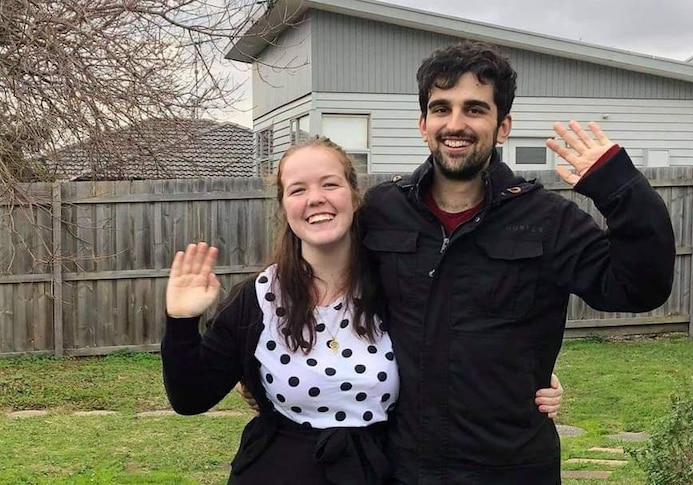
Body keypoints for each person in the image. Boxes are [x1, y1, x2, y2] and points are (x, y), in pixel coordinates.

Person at [160, 137, 563, 484]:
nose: (315, 198)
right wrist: (181, 321)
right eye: (297, 189)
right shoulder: (260, 298)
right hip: (276, 471)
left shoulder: (400, 285)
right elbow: (190, 398)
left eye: (329, 184)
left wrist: (527, 381)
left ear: (353, 195)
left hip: (383, 470)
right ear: (284, 207)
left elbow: (463, 343)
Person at [360, 41, 676, 484]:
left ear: (502, 126)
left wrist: (619, 187)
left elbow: (639, 287)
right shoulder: (380, 211)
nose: (455, 124)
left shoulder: (546, 220)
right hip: (401, 464)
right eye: (441, 108)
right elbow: (319, 291)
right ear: (422, 123)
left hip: (512, 467)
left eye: (474, 109)